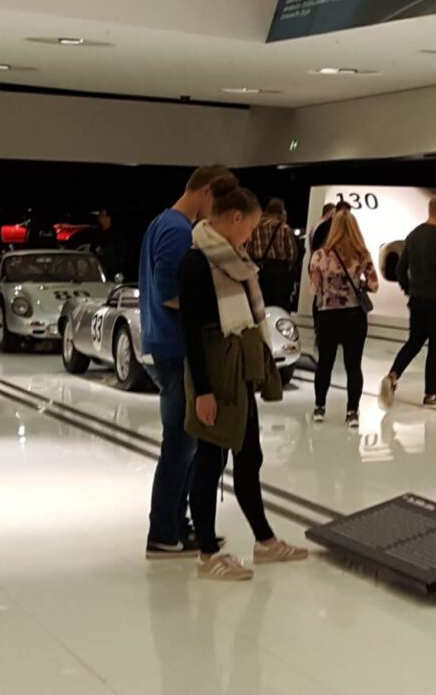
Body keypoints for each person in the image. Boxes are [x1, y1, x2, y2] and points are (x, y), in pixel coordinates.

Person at [179, 185, 309, 581]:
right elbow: (191, 332)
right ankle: (206, 553)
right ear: (235, 218)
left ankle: (264, 540)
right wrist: (203, 390)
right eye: (250, 228)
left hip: (238, 373)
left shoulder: (233, 259)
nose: (251, 236)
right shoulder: (197, 263)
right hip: (215, 374)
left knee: (249, 456)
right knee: (210, 459)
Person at [140, 165, 233, 558]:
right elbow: (168, 292)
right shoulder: (177, 230)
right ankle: (163, 529)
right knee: (180, 442)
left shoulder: (163, 224)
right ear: (207, 192)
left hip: (167, 343)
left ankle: (178, 523)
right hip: (175, 347)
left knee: (186, 442)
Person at [383, 194, 436, 407]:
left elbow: (400, 268)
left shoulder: (413, 235)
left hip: (418, 300)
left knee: (414, 342)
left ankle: (392, 376)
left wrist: (409, 289)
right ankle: (431, 394)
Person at [305, 205, 379, 427]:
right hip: (355, 317)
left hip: (328, 316)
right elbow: (374, 286)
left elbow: (312, 289)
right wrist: (358, 284)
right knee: (353, 365)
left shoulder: (320, 255)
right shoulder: (363, 255)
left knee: (325, 363)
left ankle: (319, 407)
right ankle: (352, 412)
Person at [248, 198, 302, 309]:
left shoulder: (255, 227)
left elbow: (249, 250)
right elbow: (292, 254)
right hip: (279, 271)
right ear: (281, 212)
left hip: (260, 269)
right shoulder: (284, 228)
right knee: (280, 305)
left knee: (261, 303)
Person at [92, 210, 133, 281]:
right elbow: (93, 248)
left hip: (113, 269)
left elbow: (120, 251)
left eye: (102, 216)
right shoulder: (97, 233)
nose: (100, 218)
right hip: (101, 269)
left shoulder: (116, 233)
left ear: (108, 218)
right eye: (99, 216)